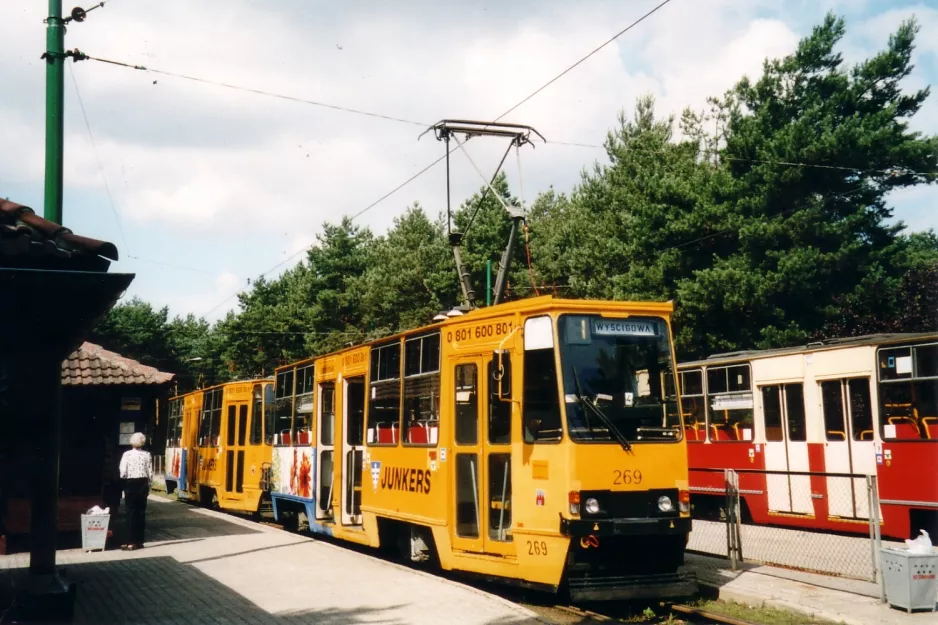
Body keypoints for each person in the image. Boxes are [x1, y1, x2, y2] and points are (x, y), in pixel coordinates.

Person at [119, 432, 152, 550]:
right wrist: (149, 487)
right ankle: (140, 541)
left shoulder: (126, 454)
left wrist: (124, 481)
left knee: (130, 512)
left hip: (131, 483)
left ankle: (130, 541)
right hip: (143, 483)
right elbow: (150, 472)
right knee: (141, 512)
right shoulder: (147, 455)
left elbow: (123, 472)